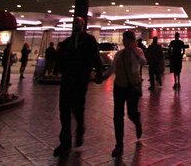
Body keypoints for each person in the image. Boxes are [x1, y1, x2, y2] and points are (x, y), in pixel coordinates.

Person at [53, 17, 103, 157]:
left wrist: (99, 73)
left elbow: (95, 56)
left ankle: (80, 127)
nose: (75, 25)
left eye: (78, 23)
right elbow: (60, 58)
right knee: (64, 110)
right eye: (74, 23)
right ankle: (65, 142)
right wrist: (58, 69)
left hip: (81, 79)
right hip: (68, 79)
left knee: (77, 108)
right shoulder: (67, 43)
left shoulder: (89, 40)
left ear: (83, 25)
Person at [103, 30, 146, 158]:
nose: (124, 41)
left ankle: (137, 122)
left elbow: (143, 62)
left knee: (131, 113)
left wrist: (133, 50)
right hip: (119, 87)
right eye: (124, 39)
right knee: (118, 115)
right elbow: (112, 69)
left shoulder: (138, 52)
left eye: (126, 39)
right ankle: (119, 144)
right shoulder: (119, 54)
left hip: (132, 86)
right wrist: (103, 77)